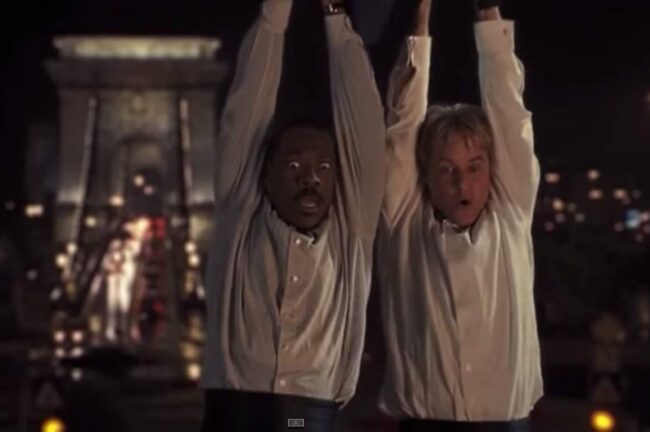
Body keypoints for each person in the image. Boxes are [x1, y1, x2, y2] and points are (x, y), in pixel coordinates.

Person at [200, 0, 386, 430]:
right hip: (235, 411)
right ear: (266, 174)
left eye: (324, 168)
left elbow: (364, 124)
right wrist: (276, 11)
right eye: (294, 166)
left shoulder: (350, 232)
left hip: (308, 417)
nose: (310, 179)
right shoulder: (239, 216)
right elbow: (248, 104)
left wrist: (336, 15)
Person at [377, 0, 543, 430]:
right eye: (447, 170)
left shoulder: (510, 214)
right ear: (427, 175)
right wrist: (421, 16)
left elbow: (509, 111)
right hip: (425, 422)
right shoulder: (405, 223)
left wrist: (487, 10)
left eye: (473, 168)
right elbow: (402, 123)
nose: (461, 184)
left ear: (491, 170)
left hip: (505, 422)